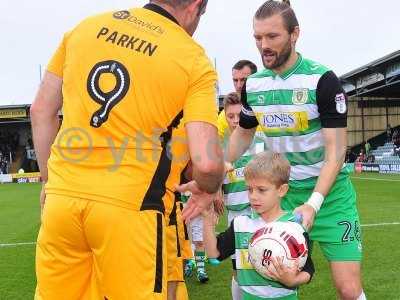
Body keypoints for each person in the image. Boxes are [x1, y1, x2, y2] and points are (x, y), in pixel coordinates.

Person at [30, 0, 224, 299]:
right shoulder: (192, 57)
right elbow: (208, 163)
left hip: (62, 201)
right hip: (131, 208)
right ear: (196, 5)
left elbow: (41, 110)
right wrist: (209, 188)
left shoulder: (85, 28)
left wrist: (48, 181)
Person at [225, 1, 366, 299]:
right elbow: (243, 134)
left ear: (294, 34)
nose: (263, 45)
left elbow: (336, 152)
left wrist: (314, 204)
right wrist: (218, 167)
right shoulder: (253, 85)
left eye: (272, 36)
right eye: (258, 38)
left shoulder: (322, 81)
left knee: (349, 289)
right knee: (256, 276)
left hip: (329, 197)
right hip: (281, 196)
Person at [203, 151, 315, 299]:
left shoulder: (294, 227)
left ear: (282, 190)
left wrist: (293, 280)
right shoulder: (240, 225)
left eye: (261, 190)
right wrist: (206, 219)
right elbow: (214, 255)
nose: (253, 196)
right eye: (249, 189)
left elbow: (308, 269)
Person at [220, 92, 265, 299]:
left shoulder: (260, 143)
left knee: (263, 269)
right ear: (225, 116)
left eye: (239, 115)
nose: (236, 120)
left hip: (261, 216)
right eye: (230, 116)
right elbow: (215, 182)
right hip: (235, 218)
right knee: (238, 271)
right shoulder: (220, 148)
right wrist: (216, 193)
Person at [218, 60, 258, 141]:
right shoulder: (225, 115)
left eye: (243, 80)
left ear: (256, 79)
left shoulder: (268, 108)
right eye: (235, 80)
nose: (239, 85)